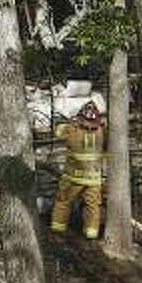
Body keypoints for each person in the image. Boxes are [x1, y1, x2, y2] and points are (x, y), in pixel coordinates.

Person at [50, 101, 105, 239]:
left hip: (72, 176)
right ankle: (91, 234)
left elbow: (58, 132)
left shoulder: (72, 129)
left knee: (63, 201)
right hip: (94, 178)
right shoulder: (102, 130)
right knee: (92, 206)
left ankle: (58, 230)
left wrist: (69, 122)